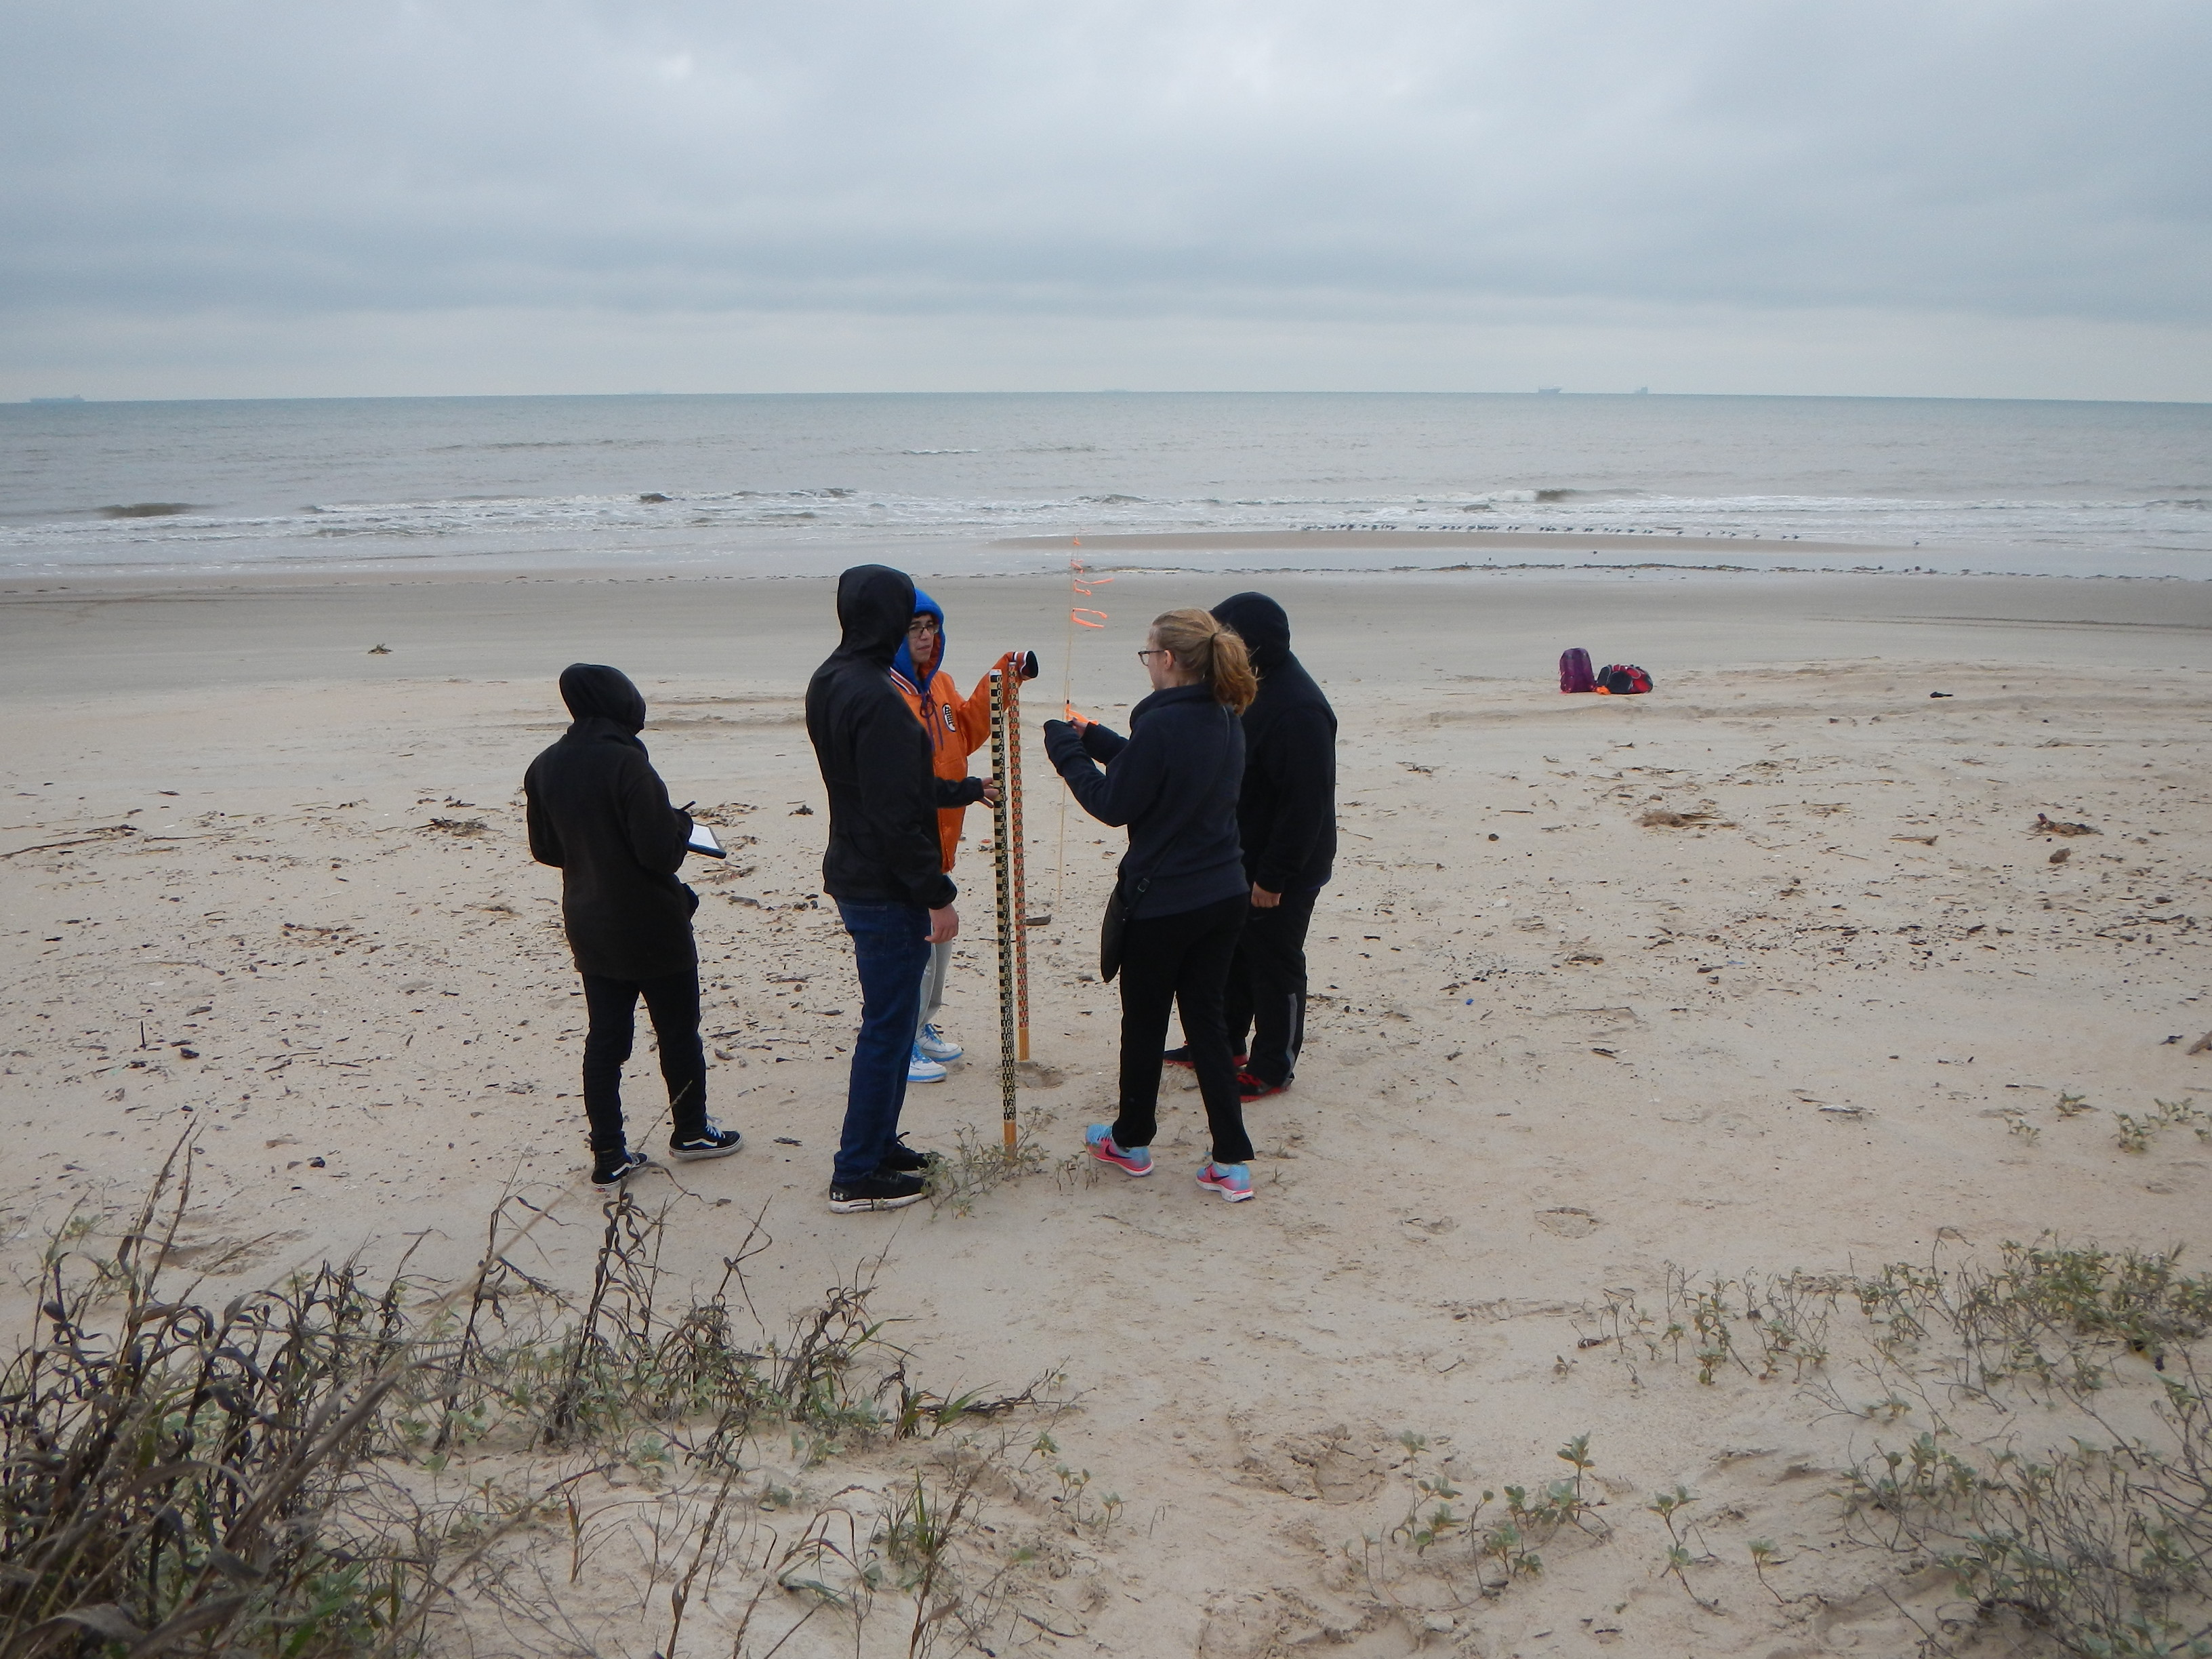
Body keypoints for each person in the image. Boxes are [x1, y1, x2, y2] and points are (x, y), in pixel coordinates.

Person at [1042, 609, 1261, 1203]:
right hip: (1223, 896)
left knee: (1144, 1024)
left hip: (1165, 904)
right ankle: (1231, 1160)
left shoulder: (1166, 725)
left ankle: (1132, 1141)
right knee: (1208, 1025)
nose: (1147, 663)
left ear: (1168, 660)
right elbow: (1160, 774)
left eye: (1148, 654)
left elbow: (1114, 802)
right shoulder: (1225, 716)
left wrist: (1064, 750)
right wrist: (1093, 737)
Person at [524, 663, 743, 1191]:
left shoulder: (544, 767)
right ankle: (690, 1130)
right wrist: (683, 827)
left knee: (606, 1040)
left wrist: (594, 850)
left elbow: (545, 849)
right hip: (651, 922)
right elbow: (658, 855)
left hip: (589, 918)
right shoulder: (629, 766)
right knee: (676, 1030)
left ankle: (608, 1152)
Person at [806, 565, 961, 1214]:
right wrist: (937, 893)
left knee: (891, 1026)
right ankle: (858, 1172)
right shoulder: (879, 700)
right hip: (885, 886)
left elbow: (882, 784)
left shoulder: (830, 680)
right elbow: (898, 817)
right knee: (890, 1027)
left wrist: (957, 790)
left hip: (853, 868)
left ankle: (879, 1144)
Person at [1163, 592, 1337, 1099]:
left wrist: (1273, 878)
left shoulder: (1299, 708)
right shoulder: (1245, 688)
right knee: (1232, 953)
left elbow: (1305, 807)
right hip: (1238, 853)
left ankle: (1273, 1065)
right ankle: (1222, 1043)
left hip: (1286, 865)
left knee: (1274, 959)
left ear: (1248, 646)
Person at [888, 590, 1033, 1084]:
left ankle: (922, 1025)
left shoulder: (939, 685)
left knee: (938, 948)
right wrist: (968, 789)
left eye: (931, 626)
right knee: (916, 945)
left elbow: (969, 729)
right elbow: (905, 788)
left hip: (943, 843)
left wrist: (1005, 675)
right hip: (908, 843)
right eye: (914, 627)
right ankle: (901, 1040)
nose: (925, 636)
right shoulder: (889, 696)